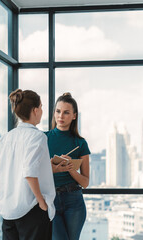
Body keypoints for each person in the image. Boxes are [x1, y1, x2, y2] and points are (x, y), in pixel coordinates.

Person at [0, 89, 56, 240]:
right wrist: (41, 202)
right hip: (32, 210)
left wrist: (6, 193)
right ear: (35, 110)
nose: (42, 111)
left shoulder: (5, 138)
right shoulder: (37, 137)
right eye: (41, 107)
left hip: (8, 212)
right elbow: (29, 172)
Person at [44, 92, 90, 240]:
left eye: (66, 112)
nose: (60, 116)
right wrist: (52, 165)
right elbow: (34, 172)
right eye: (58, 111)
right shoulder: (43, 139)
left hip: (74, 201)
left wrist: (71, 169)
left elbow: (85, 182)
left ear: (74, 116)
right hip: (50, 199)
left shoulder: (80, 143)